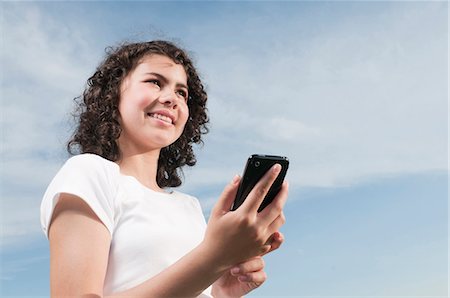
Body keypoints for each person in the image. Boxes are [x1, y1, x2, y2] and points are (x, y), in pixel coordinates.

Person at [40, 40, 288, 297]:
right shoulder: (90, 173)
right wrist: (215, 258)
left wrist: (221, 291)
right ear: (113, 93)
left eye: (182, 93)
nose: (172, 99)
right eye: (155, 82)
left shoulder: (188, 206)